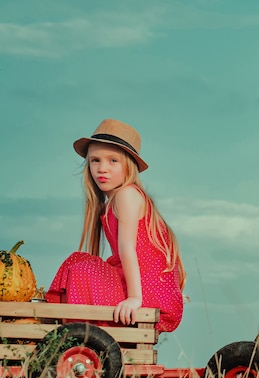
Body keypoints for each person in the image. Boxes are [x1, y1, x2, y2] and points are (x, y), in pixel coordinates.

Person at [46, 119, 185, 332]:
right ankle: (74, 334)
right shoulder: (109, 204)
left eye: (113, 161)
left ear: (128, 165)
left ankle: (81, 337)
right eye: (95, 160)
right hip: (134, 286)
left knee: (82, 268)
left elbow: (127, 249)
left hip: (144, 293)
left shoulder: (126, 194)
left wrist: (134, 298)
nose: (102, 169)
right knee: (78, 261)